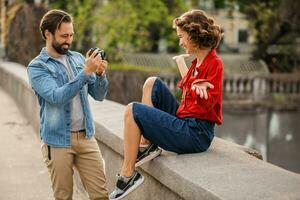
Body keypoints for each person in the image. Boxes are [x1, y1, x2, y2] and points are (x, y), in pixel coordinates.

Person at [109, 9, 224, 200]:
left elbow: (208, 105)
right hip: (185, 120)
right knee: (151, 82)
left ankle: (128, 175)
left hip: (196, 133)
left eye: (182, 37)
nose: (180, 42)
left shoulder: (215, 63)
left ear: (194, 35)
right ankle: (147, 145)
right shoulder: (197, 62)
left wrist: (198, 88)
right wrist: (185, 70)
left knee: (132, 110)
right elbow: (189, 89)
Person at [27, 9, 109, 200]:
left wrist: (99, 74)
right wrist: (86, 73)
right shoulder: (37, 66)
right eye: (64, 36)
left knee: (101, 196)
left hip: (87, 137)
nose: (69, 40)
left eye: (71, 35)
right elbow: (57, 97)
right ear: (48, 34)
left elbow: (99, 95)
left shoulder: (78, 59)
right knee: (63, 197)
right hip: (57, 142)